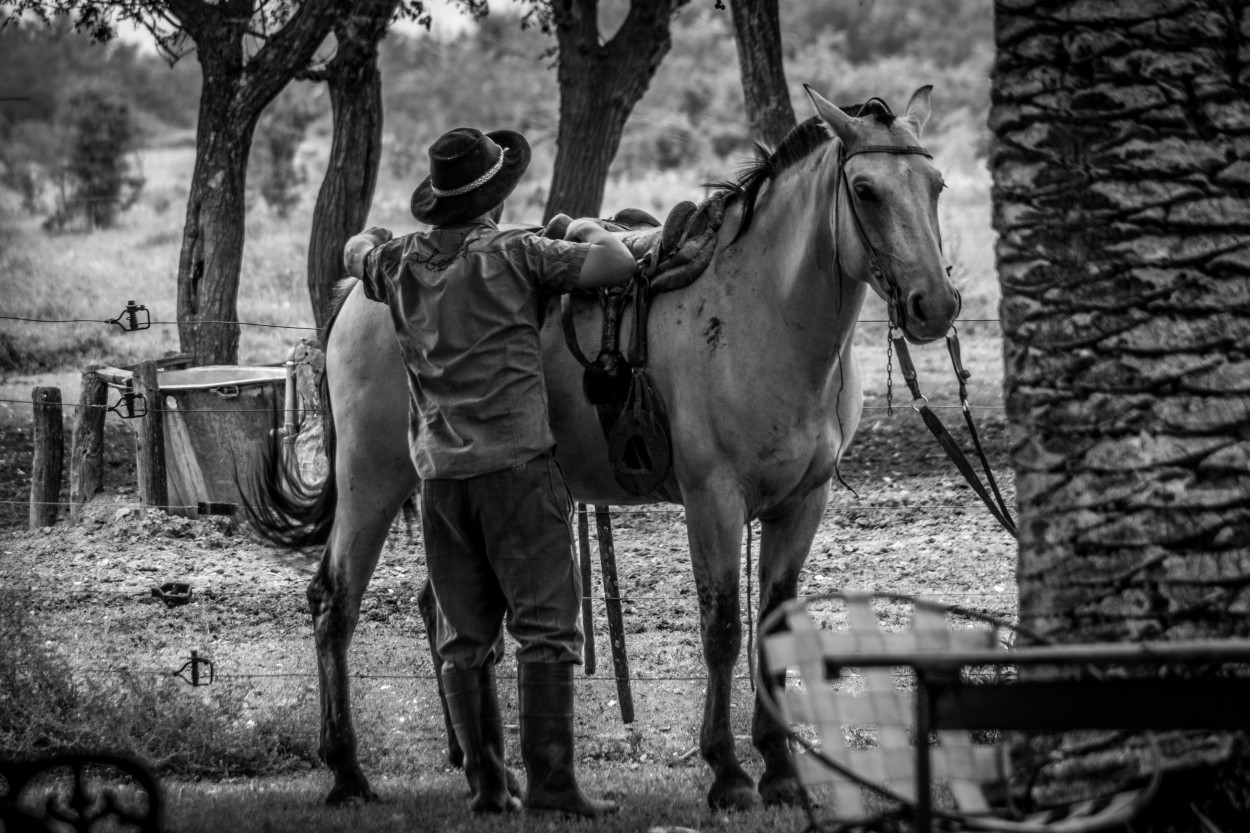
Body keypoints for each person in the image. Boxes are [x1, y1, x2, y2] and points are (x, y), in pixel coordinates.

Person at [342, 126, 636, 816]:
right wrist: (591, 226)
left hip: (441, 475)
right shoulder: (519, 253)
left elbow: (355, 251)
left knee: (465, 634)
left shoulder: (398, 263)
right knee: (547, 625)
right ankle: (554, 786)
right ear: (496, 200)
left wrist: (364, 239)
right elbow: (616, 264)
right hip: (516, 467)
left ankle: (486, 787)